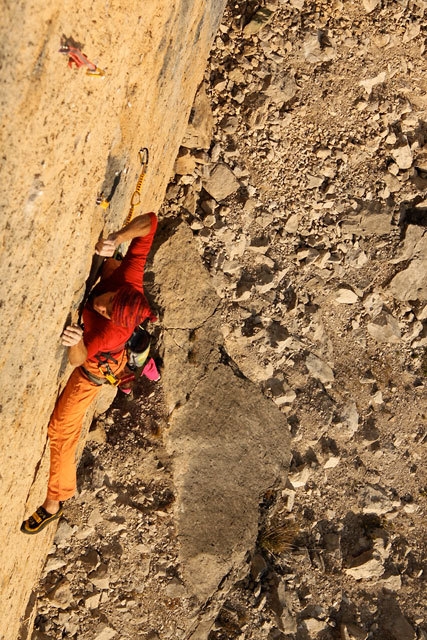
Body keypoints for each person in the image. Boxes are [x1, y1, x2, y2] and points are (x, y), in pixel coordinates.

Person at [21, 212, 158, 534]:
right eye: (109, 302)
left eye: (108, 312)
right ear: (123, 292)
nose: (102, 307)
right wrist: (118, 239)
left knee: (61, 430)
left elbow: (78, 360)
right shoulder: (131, 279)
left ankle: (55, 501)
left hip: (94, 372)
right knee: (113, 262)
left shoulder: (108, 332)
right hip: (112, 352)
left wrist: (76, 340)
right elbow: (150, 222)